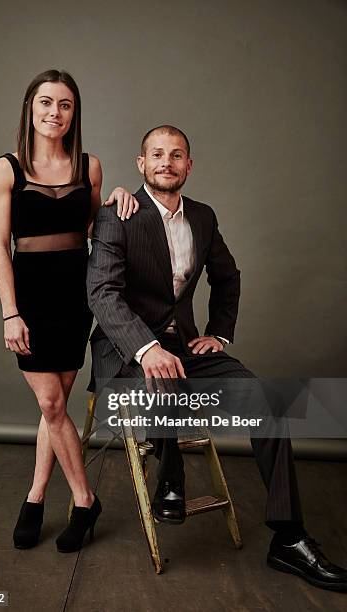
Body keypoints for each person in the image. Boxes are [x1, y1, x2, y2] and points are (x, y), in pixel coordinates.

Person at [86, 125, 347, 591]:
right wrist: (146, 348)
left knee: (270, 402)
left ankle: (288, 538)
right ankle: (170, 476)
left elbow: (228, 277)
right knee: (160, 379)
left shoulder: (203, 217)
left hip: (187, 348)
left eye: (177, 155)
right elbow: (102, 293)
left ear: (189, 165)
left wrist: (218, 334)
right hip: (126, 350)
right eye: (157, 155)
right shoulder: (117, 216)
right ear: (141, 163)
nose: (167, 162)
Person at [0, 69, 139, 553]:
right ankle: (84, 500)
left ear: (75, 114)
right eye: (46, 103)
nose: (55, 113)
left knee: (54, 410)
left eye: (65, 105)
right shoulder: (5, 168)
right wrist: (10, 312)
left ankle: (34, 497)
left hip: (77, 296)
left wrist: (116, 200)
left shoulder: (89, 166)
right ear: (30, 109)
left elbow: (95, 228)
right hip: (30, 298)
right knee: (52, 405)